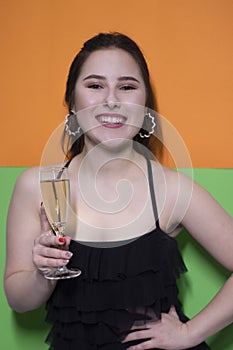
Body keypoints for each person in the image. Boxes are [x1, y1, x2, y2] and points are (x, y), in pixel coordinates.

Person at [4, 32, 233, 350]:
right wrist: (45, 272)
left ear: (145, 105)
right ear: (73, 100)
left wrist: (189, 333)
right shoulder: (37, 186)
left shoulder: (172, 189)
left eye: (127, 86)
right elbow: (19, 301)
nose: (111, 99)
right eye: (95, 85)